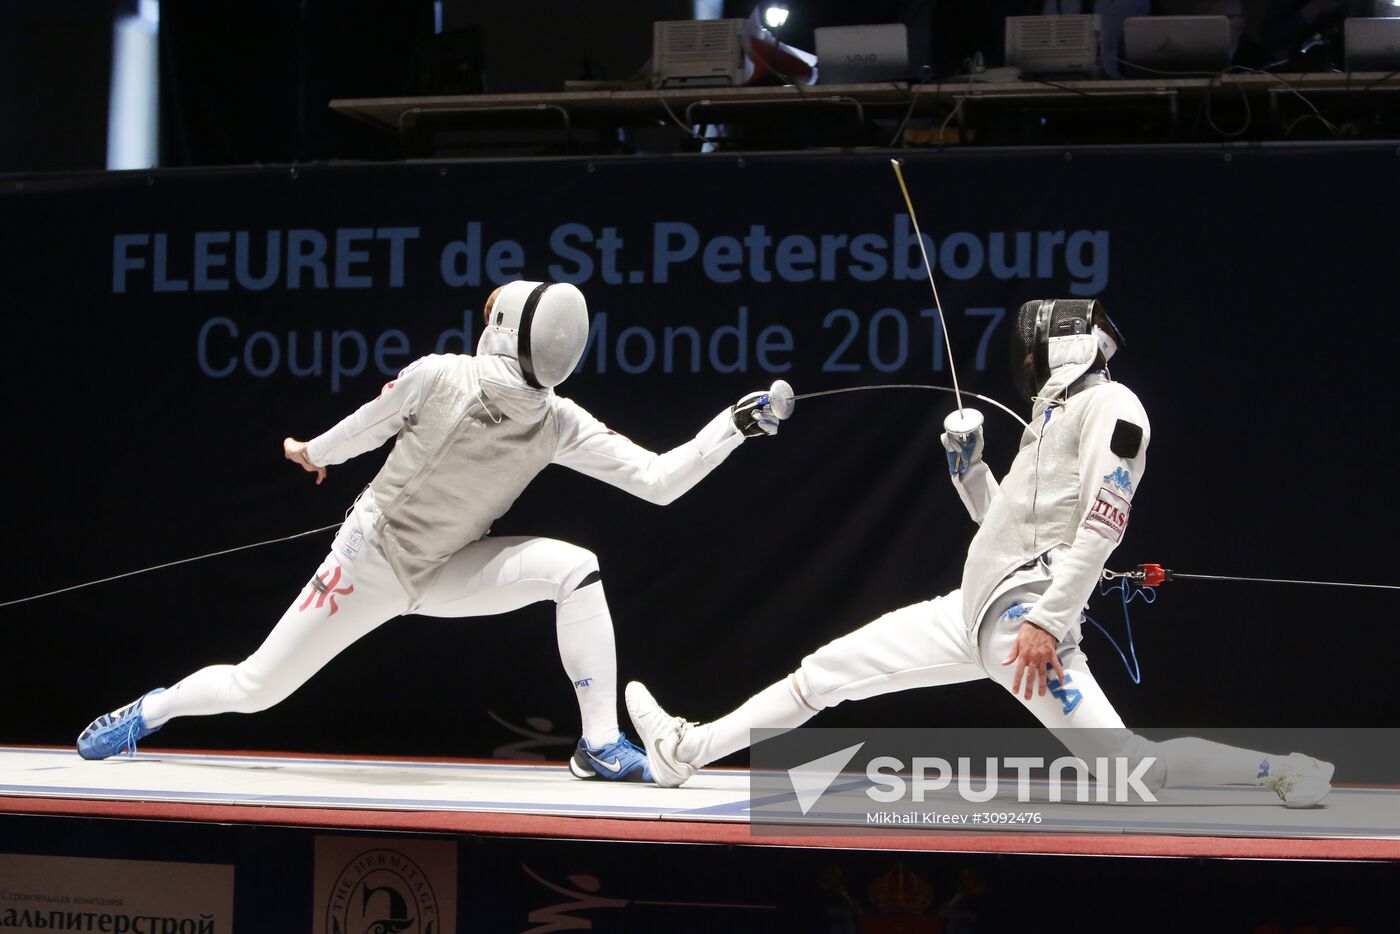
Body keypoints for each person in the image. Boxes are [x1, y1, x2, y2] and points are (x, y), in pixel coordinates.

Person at [627, 298, 1333, 806]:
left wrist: (1049, 621)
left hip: (1026, 626)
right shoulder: (1053, 416)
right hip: (972, 614)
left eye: (1032, 351)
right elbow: (1002, 530)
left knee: (1130, 773)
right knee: (825, 672)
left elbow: (1102, 523)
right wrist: (970, 469)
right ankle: (687, 752)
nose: (1024, 364)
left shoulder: (1114, 409)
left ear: (1060, 346)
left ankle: (1281, 770)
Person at [76, 280, 788, 782]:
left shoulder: (533, 411)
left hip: (449, 567)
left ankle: (599, 743)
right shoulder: (452, 382)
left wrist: (311, 454)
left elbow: (655, 482)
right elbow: (663, 481)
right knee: (258, 685)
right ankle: (150, 710)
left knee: (575, 570)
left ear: (502, 328)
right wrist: (732, 425)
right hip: (371, 563)